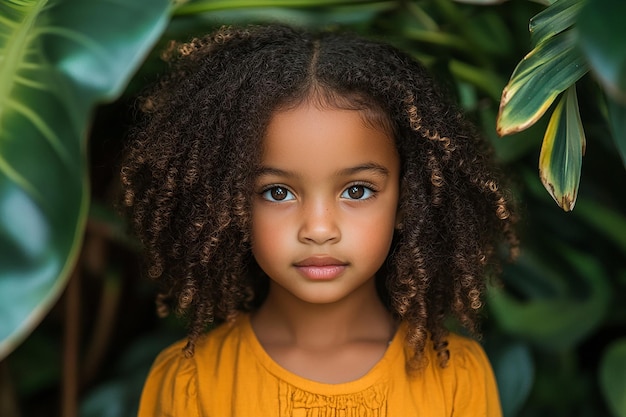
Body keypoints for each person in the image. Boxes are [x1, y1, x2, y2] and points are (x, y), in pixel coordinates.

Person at [120, 24, 518, 416]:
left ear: (406, 200)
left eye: (357, 190)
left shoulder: (456, 380)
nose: (319, 229)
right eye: (278, 192)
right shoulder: (192, 385)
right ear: (230, 204)